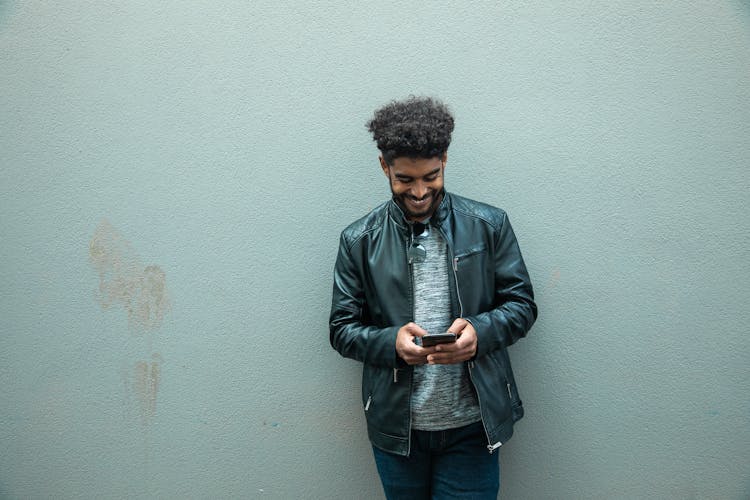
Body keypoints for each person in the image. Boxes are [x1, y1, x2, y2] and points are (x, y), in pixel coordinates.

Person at [329, 96, 537, 499]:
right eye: (405, 179)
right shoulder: (358, 240)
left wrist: (480, 332)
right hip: (397, 430)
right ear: (384, 166)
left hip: (473, 428)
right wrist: (391, 343)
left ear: (444, 159)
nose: (420, 192)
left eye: (431, 176)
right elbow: (341, 330)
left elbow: (523, 306)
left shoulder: (489, 225)